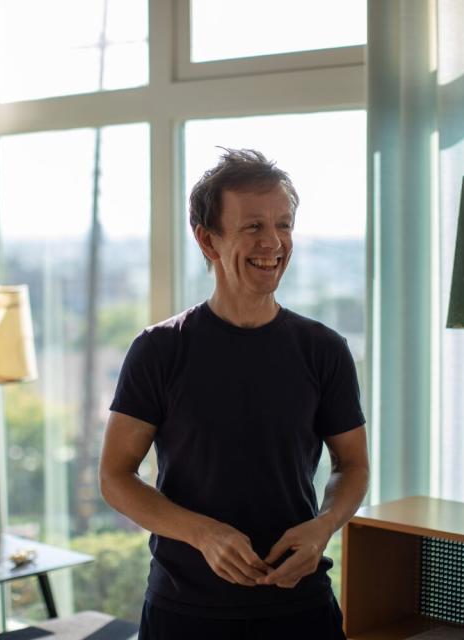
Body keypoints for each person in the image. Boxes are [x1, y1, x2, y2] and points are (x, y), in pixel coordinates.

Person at [99, 148, 369, 640]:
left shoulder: (324, 350)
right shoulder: (159, 350)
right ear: (208, 240)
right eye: (253, 227)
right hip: (185, 613)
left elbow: (352, 465)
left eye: (283, 225)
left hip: (300, 609)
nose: (274, 243)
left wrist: (325, 524)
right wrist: (202, 533)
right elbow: (116, 477)